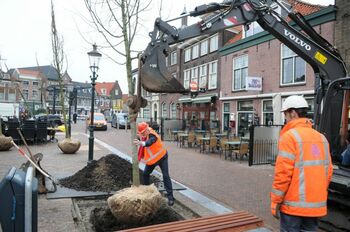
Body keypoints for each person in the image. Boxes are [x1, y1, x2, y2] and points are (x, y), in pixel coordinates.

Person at [270, 95, 333, 232]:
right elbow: (328, 172)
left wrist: (275, 201)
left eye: (285, 114)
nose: (285, 118)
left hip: (293, 207)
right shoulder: (321, 138)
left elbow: (283, 175)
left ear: (292, 113)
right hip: (315, 206)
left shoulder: (289, 137)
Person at [133, 122, 175, 206]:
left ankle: (171, 198)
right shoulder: (143, 135)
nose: (143, 134)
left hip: (162, 157)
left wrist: (142, 143)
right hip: (152, 161)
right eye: (141, 133)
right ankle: (147, 192)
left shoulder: (152, 134)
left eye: (144, 132)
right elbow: (140, 139)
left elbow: (150, 142)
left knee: (166, 176)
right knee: (145, 174)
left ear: (147, 129)